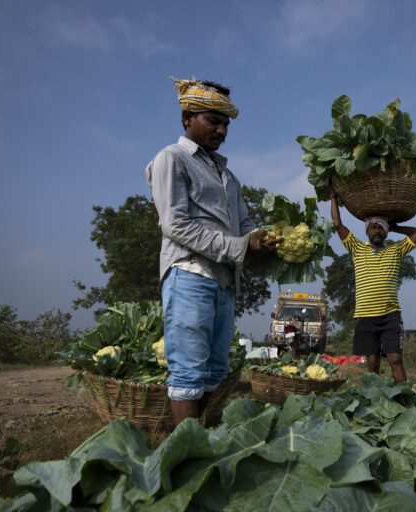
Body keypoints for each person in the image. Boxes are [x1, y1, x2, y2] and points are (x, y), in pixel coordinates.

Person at [145, 77, 279, 423]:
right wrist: (240, 245)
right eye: (212, 120)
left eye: (225, 124)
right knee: (188, 369)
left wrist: (263, 238)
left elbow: (244, 224)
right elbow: (175, 225)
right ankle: (187, 452)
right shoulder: (171, 159)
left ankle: (195, 439)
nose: (221, 130)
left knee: (214, 368)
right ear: (187, 118)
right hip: (189, 275)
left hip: (223, 282)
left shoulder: (228, 176)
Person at [330, 192, 416, 383]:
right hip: (365, 316)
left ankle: (404, 401)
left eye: (381, 228)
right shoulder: (357, 249)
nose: (377, 231)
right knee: (372, 363)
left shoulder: (395, 250)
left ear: (386, 232)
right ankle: (375, 402)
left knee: (395, 359)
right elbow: (338, 225)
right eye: (373, 227)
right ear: (367, 231)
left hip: (390, 316)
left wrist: (396, 227)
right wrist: (333, 198)